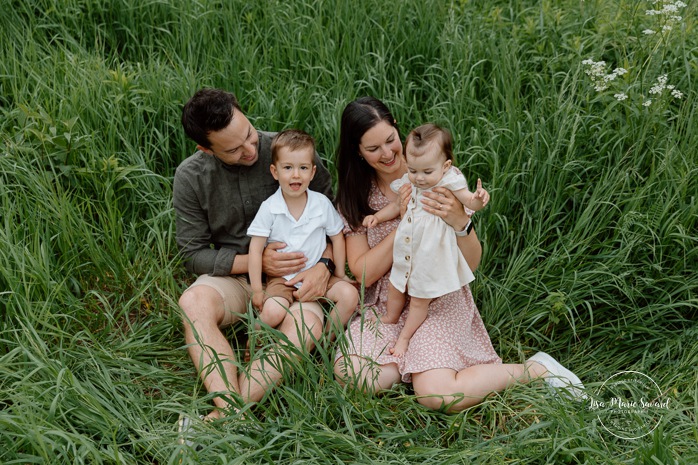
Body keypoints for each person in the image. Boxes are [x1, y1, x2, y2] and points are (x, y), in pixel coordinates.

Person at [333, 96, 585, 412]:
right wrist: (406, 218)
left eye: (390, 141)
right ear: (358, 151)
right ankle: (418, 361)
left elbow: (471, 262)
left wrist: (461, 222)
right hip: (388, 303)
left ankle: (535, 370)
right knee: (353, 374)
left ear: (398, 129)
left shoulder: (436, 175)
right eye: (373, 149)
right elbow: (364, 273)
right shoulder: (354, 197)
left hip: (439, 298)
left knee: (437, 396)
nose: (387, 154)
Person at [173, 88, 343, 423]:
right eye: (234, 149)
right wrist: (256, 263)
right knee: (192, 304)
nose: (250, 150)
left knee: (306, 327)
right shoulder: (191, 177)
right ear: (205, 149)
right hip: (237, 277)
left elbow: (335, 220)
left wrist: (325, 264)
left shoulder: (289, 154)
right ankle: (231, 407)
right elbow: (192, 254)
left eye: (250, 135)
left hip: (299, 275)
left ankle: (228, 411)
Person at [362, 123, 490, 356]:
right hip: (406, 252)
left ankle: (404, 337)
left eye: (426, 172)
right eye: (413, 170)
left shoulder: (449, 182)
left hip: (429, 259)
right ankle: (390, 317)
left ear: (446, 166)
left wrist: (478, 200)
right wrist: (377, 218)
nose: (419, 178)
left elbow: (469, 201)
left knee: (419, 301)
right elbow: (395, 206)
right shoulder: (413, 179)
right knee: (395, 285)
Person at [247, 129, 358, 335]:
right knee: (272, 312)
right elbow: (255, 250)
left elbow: (337, 237)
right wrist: (256, 290)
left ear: (313, 172)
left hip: (317, 275)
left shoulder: (321, 204)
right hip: (284, 279)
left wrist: (340, 274)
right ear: (275, 171)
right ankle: (255, 339)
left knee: (350, 296)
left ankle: (327, 338)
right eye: (288, 167)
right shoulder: (270, 208)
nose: (296, 174)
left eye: (303, 167)